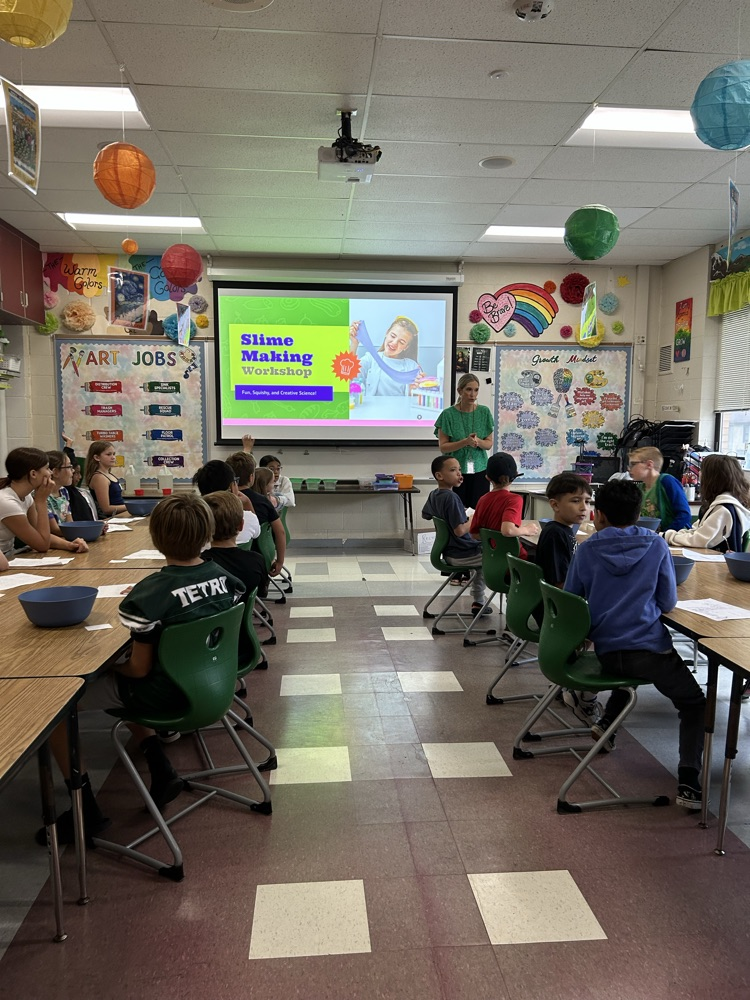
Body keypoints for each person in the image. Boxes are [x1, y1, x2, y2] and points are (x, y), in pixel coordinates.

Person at [37, 494, 246, 845]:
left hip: (165, 694)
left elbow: (137, 669)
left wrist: (112, 667)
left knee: (56, 704)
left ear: (156, 537)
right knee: (128, 681)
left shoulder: (148, 595)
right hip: (214, 684)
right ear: (207, 533)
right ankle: (160, 766)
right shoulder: (229, 580)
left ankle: (84, 806)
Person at [564, 479, 706, 809]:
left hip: (609, 653)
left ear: (598, 515)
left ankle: (606, 724)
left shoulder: (586, 550)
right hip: (650, 653)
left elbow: (571, 601)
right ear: (640, 513)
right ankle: (688, 781)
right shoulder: (656, 546)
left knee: (629, 667)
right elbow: (668, 602)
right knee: (694, 703)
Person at [535, 471, 601, 724]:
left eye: (587, 501)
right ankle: (585, 699)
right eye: (575, 500)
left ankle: (569, 688)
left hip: (558, 611)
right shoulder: (555, 534)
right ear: (554, 504)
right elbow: (559, 584)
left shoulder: (564, 532)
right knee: (606, 627)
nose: (584, 507)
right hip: (558, 615)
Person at [202, 491, 269, 663]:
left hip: (206, 652)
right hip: (242, 647)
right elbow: (262, 593)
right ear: (241, 525)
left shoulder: (199, 566)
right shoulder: (256, 561)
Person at [421, 455, 487, 616]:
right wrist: (474, 518)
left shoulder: (434, 494)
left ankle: (479, 600)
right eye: (453, 470)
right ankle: (479, 600)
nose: (459, 474)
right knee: (496, 556)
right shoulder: (451, 497)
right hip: (463, 553)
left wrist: (458, 514)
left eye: (459, 469)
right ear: (439, 476)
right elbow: (460, 531)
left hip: (449, 552)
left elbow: (426, 514)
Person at [662, 454, 750, 551]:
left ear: (713, 478)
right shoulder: (718, 504)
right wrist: (667, 535)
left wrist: (666, 536)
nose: (699, 474)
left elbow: (699, 540)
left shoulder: (724, 509)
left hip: (718, 564)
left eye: (702, 471)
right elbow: (695, 530)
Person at [434, 373, 494, 510]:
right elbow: (443, 447)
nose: (473, 394)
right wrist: (465, 442)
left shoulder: (484, 412)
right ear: (460, 391)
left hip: (480, 469)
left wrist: (477, 441)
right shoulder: (448, 414)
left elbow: (489, 443)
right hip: (455, 472)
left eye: (476, 390)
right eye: (468, 389)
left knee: (478, 511)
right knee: (458, 511)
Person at [469, 452, 539, 559]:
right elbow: (508, 530)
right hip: (514, 560)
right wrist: (526, 530)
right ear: (515, 475)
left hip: (491, 559)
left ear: (487, 477)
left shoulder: (483, 499)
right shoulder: (514, 499)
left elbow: (474, 534)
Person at [226, 452, 285, 576]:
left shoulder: (221, 501)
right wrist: (280, 561)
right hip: (257, 561)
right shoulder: (263, 501)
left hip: (225, 562)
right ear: (252, 477)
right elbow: (280, 532)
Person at [0, 447, 54, 559]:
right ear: (33, 474)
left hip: (9, 556)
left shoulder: (26, 497)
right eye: (48, 468)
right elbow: (42, 545)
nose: (51, 472)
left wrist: (70, 545)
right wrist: (41, 501)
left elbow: (40, 534)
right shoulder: (6, 501)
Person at [349, 315, 421, 396]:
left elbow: (416, 399)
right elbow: (350, 379)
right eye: (393, 336)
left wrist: (415, 391)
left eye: (401, 342)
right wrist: (354, 344)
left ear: (406, 347)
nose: (394, 343)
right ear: (387, 333)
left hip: (400, 408)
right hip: (371, 408)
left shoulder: (412, 367)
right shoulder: (370, 359)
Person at [192, 459, 260, 541]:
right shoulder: (247, 518)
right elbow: (257, 533)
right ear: (231, 487)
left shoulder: (193, 520)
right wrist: (248, 503)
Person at [628, 446, 692, 532]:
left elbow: (684, 514)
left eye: (633, 464)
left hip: (676, 537)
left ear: (649, 465)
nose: (629, 469)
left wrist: (665, 534)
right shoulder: (640, 488)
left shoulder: (667, 481)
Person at [44, 450, 93, 553]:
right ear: (55, 472)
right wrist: (87, 531)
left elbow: (70, 524)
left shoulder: (63, 491)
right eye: (69, 467)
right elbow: (55, 529)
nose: (73, 471)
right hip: (53, 545)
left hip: (65, 539)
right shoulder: (43, 496)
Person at [86, 442, 127, 516]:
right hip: (110, 518)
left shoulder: (109, 475)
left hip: (120, 515)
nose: (113, 457)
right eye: (108, 454)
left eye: (114, 454)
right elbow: (106, 509)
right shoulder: (99, 478)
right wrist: (130, 506)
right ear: (97, 458)